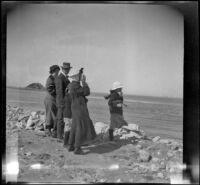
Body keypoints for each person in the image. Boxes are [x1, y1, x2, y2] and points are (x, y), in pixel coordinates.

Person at [67, 69, 96, 154]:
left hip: (74, 107)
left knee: (74, 126)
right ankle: (77, 147)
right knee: (80, 127)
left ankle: (71, 145)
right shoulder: (76, 86)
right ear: (77, 77)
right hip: (79, 108)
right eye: (80, 75)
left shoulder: (70, 85)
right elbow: (87, 92)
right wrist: (84, 82)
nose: (81, 76)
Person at [54, 62, 72, 140]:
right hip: (61, 101)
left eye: (68, 69)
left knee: (59, 118)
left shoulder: (65, 78)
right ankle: (59, 136)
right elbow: (59, 92)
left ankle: (56, 133)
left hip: (63, 101)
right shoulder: (60, 78)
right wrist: (62, 103)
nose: (67, 70)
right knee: (60, 119)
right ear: (62, 69)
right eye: (65, 69)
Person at [44, 65, 60, 136]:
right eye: (57, 71)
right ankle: (48, 130)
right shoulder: (50, 78)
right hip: (50, 99)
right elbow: (49, 89)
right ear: (54, 71)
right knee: (50, 114)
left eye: (58, 71)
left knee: (53, 114)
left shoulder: (54, 78)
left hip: (52, 98)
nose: (58, 73)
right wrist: (58, 93)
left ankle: (52, 131)